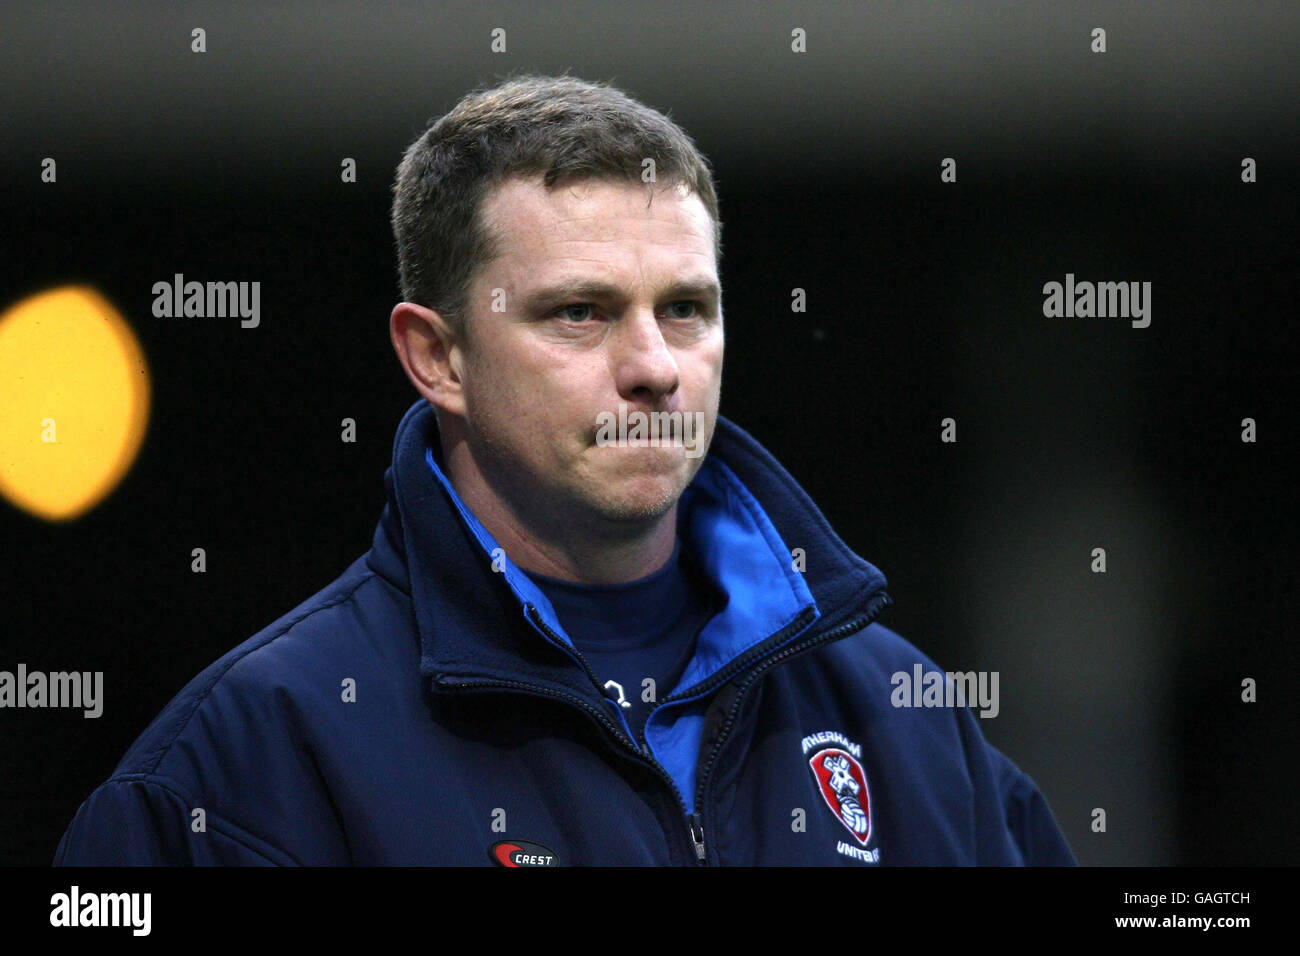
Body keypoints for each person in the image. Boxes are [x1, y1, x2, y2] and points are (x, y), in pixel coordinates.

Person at [54, 73, 1075, 866]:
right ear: (437, 357)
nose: (652, 367)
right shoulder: (243, 768)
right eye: (578, 312)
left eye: (685, 308)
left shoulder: (905, 720)